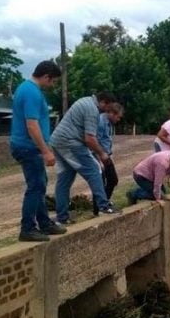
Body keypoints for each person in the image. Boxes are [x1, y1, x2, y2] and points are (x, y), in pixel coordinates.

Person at [9, 61, 67, 242]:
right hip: (27, 147)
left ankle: (44, 223)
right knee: (36, 186)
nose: (53, 85)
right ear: (46, 76)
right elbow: (32, 125)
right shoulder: (31, 93)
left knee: (40, 183)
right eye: (53, 81)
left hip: (27, 146)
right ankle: (27, 228)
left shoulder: (27, 89)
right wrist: (46, 151)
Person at [51, 91, 120, 224]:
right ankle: (103, 207)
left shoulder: (86, 101)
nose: (107, 111)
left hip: (57, 141)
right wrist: (102, 154)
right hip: (69, 142)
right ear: (103, 102)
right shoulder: (92, 110)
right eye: (108, 108)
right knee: (95, 169)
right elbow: (89, 139)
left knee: (65, 179)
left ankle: (62, 217)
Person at [97, 103, 124, 200]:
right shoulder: (100, 122)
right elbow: (96, 140)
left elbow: (106, 140)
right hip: (100, 156)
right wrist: (99, 157)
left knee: (112, 180)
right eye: (118, 117)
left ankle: (104, 202)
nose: (118, 120)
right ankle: (100, 206)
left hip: (106, 155)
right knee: (100, 182)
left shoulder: (109, 124)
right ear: (112, 113)